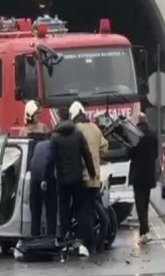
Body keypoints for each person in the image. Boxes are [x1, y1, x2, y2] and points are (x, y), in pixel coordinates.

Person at [49, 108, 96, 257]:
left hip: (62, 180)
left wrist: (47, 177)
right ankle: (80, 240)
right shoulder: (78, 134)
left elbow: (50, 159)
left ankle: (65, 239)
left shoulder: (55, 137)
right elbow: (86, 154)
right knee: (81, 209)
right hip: (77, 179)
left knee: (64, 210)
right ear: (69, 117)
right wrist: (92, 172)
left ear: (59, 118)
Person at [68, 101, 109, 245]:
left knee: (82, 211)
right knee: (91, 209)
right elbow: (105, 148)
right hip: (95, 178)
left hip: (80, 178)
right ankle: (93, 240)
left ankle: (86, 242)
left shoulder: (75, 130)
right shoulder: (95, 129)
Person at [129, 112, 159, 244]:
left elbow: (128, 153)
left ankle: (144, 229)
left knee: (139, 203)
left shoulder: (134, 136)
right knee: (145, 202)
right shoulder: (152, 136)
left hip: (137, 174)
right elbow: (156, 155)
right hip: (148, 173)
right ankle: (144, 229)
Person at [28, 135, 57, 236]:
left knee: (35, 213)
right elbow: (51, 162)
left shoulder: (37, 145)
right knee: (51, 212)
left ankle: (34, 237)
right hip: (48, 179)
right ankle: (50, 238)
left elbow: (31, 163)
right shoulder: (53, 145)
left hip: (34, 180)